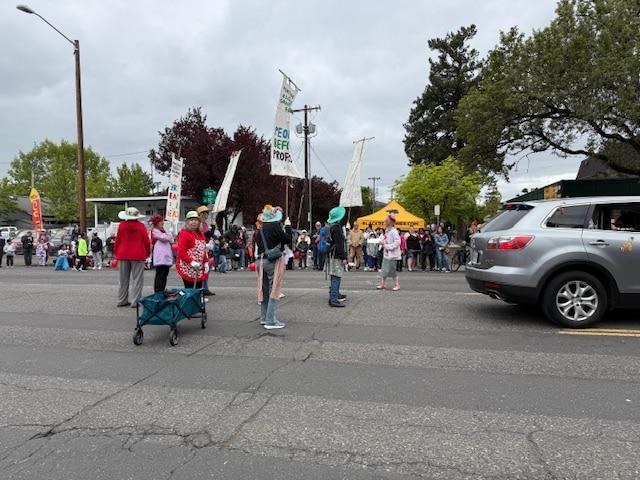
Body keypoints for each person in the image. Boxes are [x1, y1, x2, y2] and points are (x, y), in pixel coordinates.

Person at [255, 205, 292, 329]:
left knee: (264, 290)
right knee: (274, 289)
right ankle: (271, 320)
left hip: (261, 260)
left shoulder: (261, 227)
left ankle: (264, 317)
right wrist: (288, 227)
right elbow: (287, 239)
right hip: (273, 260)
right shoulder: (275, 226)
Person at [115, 207, 151, 307]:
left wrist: (117, 252)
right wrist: (148, 253)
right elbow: (146, 241)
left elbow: (118, 240)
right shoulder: (141, 226)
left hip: (123, 253)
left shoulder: (122, 225)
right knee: (137, 279)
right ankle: (136, 301)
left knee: (123, 279)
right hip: (138, 253)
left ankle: (122, 300)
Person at [176, 211, 209, 288]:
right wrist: (191, 262)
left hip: (199, 266)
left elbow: (203, 251)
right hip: (187, 266)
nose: (194, 222)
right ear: (187, 222)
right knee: (190, 288)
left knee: (199, 287)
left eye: (196, 220)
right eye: (191, 220)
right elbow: (181, 251)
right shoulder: (184, 234)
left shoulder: (200, 235)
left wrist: (206, 262)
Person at [326, 206, 348, 307]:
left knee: (334, 276)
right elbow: (339, 244)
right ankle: (334, 299)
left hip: (332, 254)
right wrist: (344, 257)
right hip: (336, 255)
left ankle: (335, 294)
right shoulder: (337, 228)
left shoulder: (331, 227)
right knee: (336, 276)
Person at [150, 215, 173, 293]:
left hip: (165, 256)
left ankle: (162, 289)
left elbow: (170, 239)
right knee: (160, 274)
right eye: (161, 222)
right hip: (160, 257)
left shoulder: (163, 231)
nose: (162, 223)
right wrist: (170, 233)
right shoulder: (155, 231)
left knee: (165, 274)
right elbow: (164, 238)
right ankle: (158, 290)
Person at [378, 215, 401, 291]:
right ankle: (382, 284)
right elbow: (386, 239)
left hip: (392, 254)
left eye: (387, 221)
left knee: (392, 270)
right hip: (386, 254)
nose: (385, 222)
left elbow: (398, 242)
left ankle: (397, 285)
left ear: (391, 222)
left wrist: (388, 246)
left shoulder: (394, 231)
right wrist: (382, 242)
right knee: (384, 269)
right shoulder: (387, 230)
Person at [197, 206, 215, 295]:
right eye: (205, 213)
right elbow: (207, 234)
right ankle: (202, 289)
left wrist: (213, 226)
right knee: (202, 269)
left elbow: (209, 234)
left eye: (207, 213)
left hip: (205, 248)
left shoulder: (204, 224)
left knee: (206, 268)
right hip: (199, 248)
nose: (206, 215)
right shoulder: (198, 223)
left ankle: (205, 288)